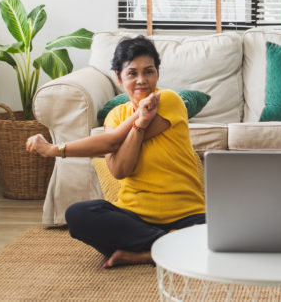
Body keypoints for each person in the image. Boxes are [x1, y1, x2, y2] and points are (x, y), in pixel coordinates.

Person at [26, 36, 205, 268]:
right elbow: (120, 170)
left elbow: (111, 142)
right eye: (132, 73)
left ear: (157, 74)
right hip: (134, 219)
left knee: (232, 232)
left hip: (187, 216)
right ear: (118, 77)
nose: (142, 80)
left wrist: (53, 150)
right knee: (79, 215)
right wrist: (139, 125)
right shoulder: (115, 116)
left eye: (148, 71)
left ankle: (146, 253)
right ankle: (169, 246)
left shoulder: (170, 100)